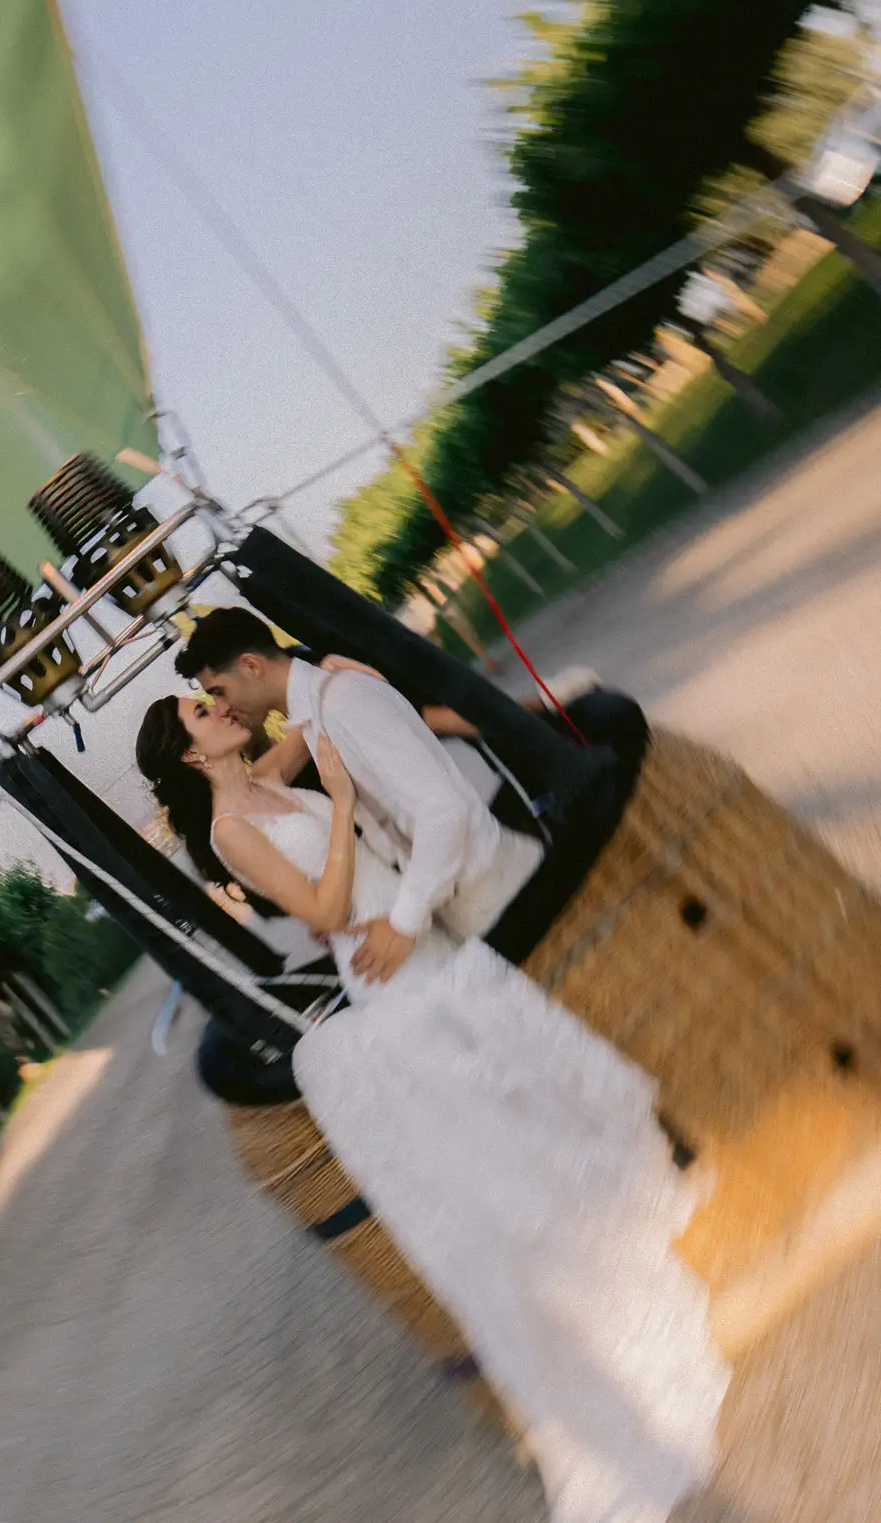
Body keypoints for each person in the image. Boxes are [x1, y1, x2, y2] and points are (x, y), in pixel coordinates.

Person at [135, 691, 729, 1522]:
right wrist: (340, 805)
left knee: (522, 1078)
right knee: (494, 1111)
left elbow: (317, 714)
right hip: (382, 961)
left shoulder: (268, 772)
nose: (222, 707)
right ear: (193, 756)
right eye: (203, 712)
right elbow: (322, 912)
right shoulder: (232, 832)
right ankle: (592, 1297)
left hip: (423, 936)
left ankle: (617, 1222)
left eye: (213, 697)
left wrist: (335, 675)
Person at [179, 608, 546, 981]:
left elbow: (443, 811)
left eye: (218, 692)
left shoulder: (342, 701)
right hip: (451, 901)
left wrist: (403, 924)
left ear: (251, 666)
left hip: (493, 887)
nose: (221, 708)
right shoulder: (315, 712)